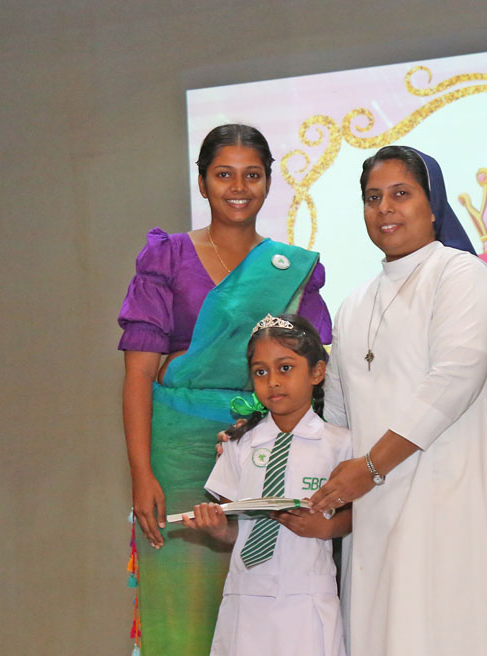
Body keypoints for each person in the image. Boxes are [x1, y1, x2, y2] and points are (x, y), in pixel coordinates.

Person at [310, 146, 487, 655]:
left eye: (400, 194)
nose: (385, 208)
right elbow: (338, 414)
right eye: (373, 198)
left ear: (434, 207)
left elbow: (454, 381)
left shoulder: (462, 274)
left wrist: (369, 468)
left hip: (461, 483)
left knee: (467, 622)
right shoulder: (353, 303)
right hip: (380, 499)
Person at [118, 124, 331, 654]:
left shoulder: (292, 269)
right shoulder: (167, 257)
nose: (238, 187)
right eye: (224, 175)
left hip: (264, 447)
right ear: (202, 182)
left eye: (252, 175)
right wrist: (142, 474)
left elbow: (314, 367)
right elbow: (139, 375)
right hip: (176, 454)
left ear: (268, 182)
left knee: (263, 603)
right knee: (181, 608)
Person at [181, 313, 350, 656]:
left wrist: (325, 527)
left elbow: (362, 515)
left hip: (307, 598)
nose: (272, 381)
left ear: (317, 372)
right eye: (261, 372)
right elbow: (236, 529)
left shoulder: (341, 445)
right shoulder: (239, 444)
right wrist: (217, 528)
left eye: (285, 368)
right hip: (245, 598)